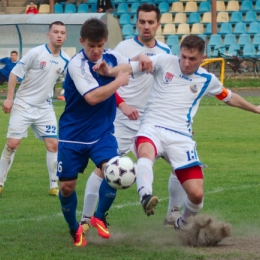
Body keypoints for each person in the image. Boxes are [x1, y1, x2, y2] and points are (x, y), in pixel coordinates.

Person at [93, 34, 260, 232]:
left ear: (202, 58)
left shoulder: (207, 79)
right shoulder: (164, 61)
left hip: (181, 137)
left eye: (192, 59)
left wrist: (256, 109)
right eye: (183, 57)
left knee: (196, 195)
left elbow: (228, 97)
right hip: (152, 126)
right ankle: (145, 195)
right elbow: (130, 68)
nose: (186, 63)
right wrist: (110, 71)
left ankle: (181, 223)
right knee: (146, 151)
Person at [80, 3, 185, 235]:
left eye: (150, 22)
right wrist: (123, 104)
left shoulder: (166, 53)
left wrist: (180, 123)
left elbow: (170, 89)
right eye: (141, 22)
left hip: (154, 121)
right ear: (136, 22)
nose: (146, 26)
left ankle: (173, 215)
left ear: (158, 24)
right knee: (104, 169)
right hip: (121, 120)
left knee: (181, 164)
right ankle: (86, 219)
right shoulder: (123, 48)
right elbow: (107, 80)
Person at [56, 18, 143, 247]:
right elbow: (93, 97)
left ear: (105, 41)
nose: (95, 51)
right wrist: (119, 81)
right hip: (72, 134)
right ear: (82, 41)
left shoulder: (112, 56)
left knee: (114, 171)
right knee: (66, 187)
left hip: (102, 133)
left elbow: (130, 65)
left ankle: (98, 216)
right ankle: (74, 228)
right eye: (90, 46)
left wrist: (142, 59)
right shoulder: (77, 64)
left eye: (99, 46)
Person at [0, 21, 69, 197]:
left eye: (62, 32)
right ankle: (0, 182)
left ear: (65, 36)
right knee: (12, 144)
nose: (59, 35)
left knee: (53, 144)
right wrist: (10, 98)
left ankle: (54, 185)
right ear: (49, 34)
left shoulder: (66, 59)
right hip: (23, 104)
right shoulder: (36, 53)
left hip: (44, 107)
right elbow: (14, 74)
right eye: (56, 32)